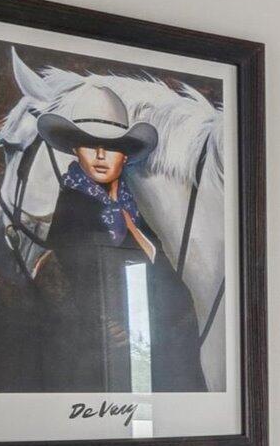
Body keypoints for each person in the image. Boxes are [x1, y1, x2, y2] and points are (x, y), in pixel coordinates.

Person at [25, 78, 206, 392]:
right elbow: (63, 286)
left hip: (155, 350)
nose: (99, 155)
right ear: (74, 151)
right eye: (88, 144)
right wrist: (102, 325)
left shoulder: (140, 210)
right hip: (98, 364)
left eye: (111, 146)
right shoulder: (71, 209)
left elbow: (168, 282)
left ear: (125, 155)